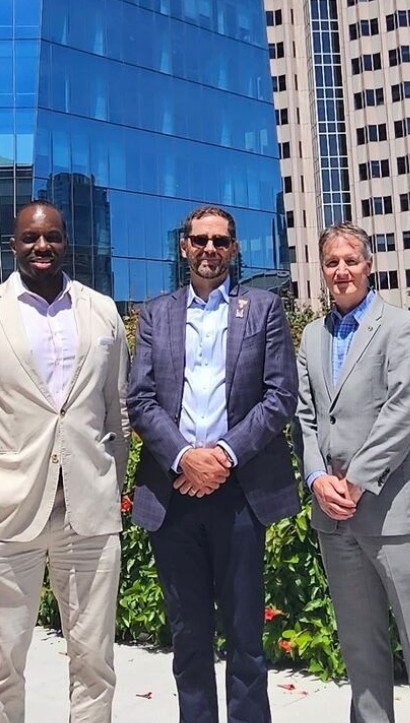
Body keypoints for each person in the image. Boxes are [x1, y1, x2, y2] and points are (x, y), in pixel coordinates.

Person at [0, 199, 130, 723]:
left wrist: (111, 483)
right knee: (1, 665)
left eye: (52, 237)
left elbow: (118, 413)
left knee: (95, 664)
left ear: (66, 242)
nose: (41, 247)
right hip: (6, 511)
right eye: (30, 238)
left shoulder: (102, 311)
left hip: (87, 513)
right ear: (13, 244)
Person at [127, 206, 298, 723]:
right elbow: (140, 400)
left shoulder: (264, 308)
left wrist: (222, 456)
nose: (209, 250)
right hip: (174, 493)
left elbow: (280, 396)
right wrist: (185, 457)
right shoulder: (155, 314)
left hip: (241, 493)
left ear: (235, 248)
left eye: (220, 241)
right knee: (189, 638)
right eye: (199, 240)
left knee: (246, 636)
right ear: (184, 247)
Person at [296, 222, 410, 723]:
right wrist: (318, 478)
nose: (341, 270)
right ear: (322, 271)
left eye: (350, 260)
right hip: (335, 516)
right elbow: (305, 416)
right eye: (331, 262)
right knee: (360, 649)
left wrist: (356, 480)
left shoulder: (403, 327)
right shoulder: (312, 336)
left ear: (369, 265)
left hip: (396, 513)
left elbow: (404, 411)